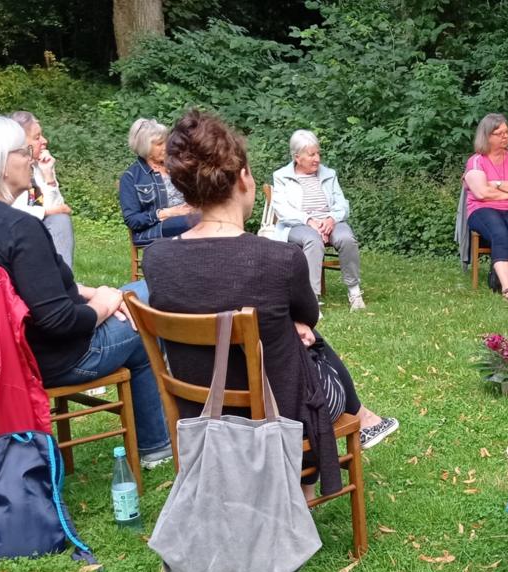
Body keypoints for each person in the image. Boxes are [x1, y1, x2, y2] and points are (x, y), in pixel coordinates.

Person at [142, 110, 398, 500]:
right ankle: (318, 470)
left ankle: (314, 469)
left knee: (298, 333)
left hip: (200, 413)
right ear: (243, 179)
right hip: (281, 415)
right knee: (310, 338)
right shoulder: (279, 259)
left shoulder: (157, 260)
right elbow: (308, 317)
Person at [0, 115, 172, 468]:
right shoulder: (19, 227)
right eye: (22, 151)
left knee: (134, 296)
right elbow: (60, 321)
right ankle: (157, 443)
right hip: (53, 359)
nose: (30, 158)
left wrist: (89, 291)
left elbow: (19, 287)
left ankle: (156, 438)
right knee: (147, 307)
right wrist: (105, 305)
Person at [271, 130, 365, 310]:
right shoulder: (281, 176)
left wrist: (332, 218)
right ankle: (312, 300)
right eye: (311, 154)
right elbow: (282, 210)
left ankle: (354, 291)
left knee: (347, 239)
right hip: (298, 224)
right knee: (313, 241)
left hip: (331, 221)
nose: (317, 159)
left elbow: (342, 204)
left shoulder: (329, 174)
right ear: (297, 157)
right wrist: (309, 221)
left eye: (318, 153)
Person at [463, 113, 508, 302]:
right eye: (499, 133)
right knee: (499, 232)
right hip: (481, 210)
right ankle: (506, 286)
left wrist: (494, 184)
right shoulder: (476, 161)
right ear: (487, 136)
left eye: (507, 132)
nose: (505, 136)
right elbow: (481, 194)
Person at [9, 111, 76, 268]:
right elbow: (8, 212)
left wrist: (48, 176)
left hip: (36, 232)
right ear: (19, 143)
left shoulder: (36, 168)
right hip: (14, 234)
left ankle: (63, 280)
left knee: (60, 220)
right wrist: (47, 212)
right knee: (58, 219)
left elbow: (58, 210)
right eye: (37, 137)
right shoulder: (5, 171)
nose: (45, 141)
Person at [118, 118, 198, 246]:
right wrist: (170, 212)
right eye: (159, 144)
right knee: (198, 222)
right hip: (153, 229)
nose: (166, 147)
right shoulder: (131, 177)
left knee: (219, 218)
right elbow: (133, 220)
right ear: (145, 147)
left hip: (188, 218)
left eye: (166, 141)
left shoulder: (176, 166)